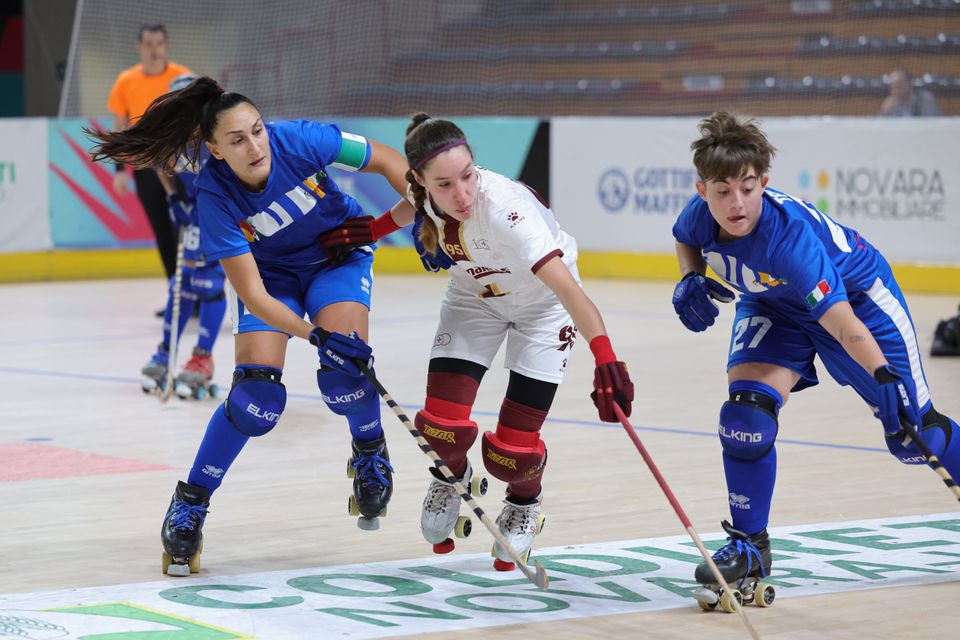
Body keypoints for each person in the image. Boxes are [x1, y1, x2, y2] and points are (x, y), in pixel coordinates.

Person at [87, 76, 414, 575]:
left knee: (345, 373)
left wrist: (403, 217)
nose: (255, 145)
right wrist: (315, 337)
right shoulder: (214, 196)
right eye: (237, 140)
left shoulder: (301, 139)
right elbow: (254, 295)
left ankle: (369, 449)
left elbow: (389, 160)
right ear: (215, 150)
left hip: (337, 259)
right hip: (271, 277)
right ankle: (190, 501)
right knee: (256, 401)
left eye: (257, 131)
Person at [670, 111, 960, 607]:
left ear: (764, 182)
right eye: (722, 191)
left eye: (746, 188)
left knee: (916, 435)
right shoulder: (701, 216)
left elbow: (845, 324)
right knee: (744, 416)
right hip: (773, 303)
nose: (735, 203)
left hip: (858, 300)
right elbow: (685, 239)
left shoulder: (791, 241)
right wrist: (689, 276)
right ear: (703, 191)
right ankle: (750, 545)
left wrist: (882, 374)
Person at [321, 114, 634, 571]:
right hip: (475, 300)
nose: (462, 195)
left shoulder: (508, 213)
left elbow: (569, 293)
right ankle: (452, 476)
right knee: (438, 428)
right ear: (421, 181)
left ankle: (525, 503)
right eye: (445, 185)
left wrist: (605, 356)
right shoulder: (425, 194)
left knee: (512, 455)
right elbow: (413, 206)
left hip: (543, 310)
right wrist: (372, 231)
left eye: (468, 177)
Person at [140, 74, 227, 400]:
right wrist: (174, 198)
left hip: (219, 219)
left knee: (209, 284)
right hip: (192, 216)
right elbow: (159, 164)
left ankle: (202, 356)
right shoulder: (173, 138)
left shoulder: (215, 139)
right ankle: (167, 350)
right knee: (181, 285)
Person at [107, 24, 193, 281]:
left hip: (181, 164)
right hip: (145, 165)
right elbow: (120, 129)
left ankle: (198, 291)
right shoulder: (126, 80)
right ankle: (174, 292)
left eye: (158, 43)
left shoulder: (182, 77)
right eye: (148, 44)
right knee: (161, 229)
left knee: (186, 227)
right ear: (139, 47)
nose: (154, 49)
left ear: (165, 45)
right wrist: (120, 170)